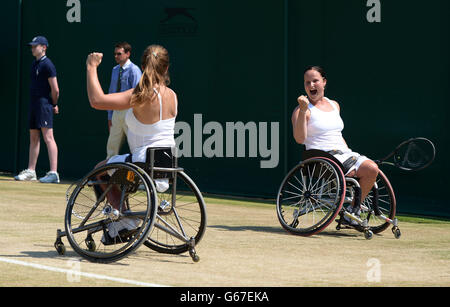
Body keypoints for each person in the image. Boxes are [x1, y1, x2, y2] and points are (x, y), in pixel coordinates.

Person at [86, 45, 177, 240]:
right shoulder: (173, 96)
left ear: (143, 67)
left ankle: (123, 222)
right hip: (167, 165)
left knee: (99, 170)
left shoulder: (140, 96)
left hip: (142, 165)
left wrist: (91, 67)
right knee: (118, 166)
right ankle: (123, 218)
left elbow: (96, 100)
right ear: (166, 68)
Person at [291, 66, 379, 224]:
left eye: (315, 81)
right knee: (357, 170)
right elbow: (299, 139)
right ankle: (353, 211)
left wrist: (349, 153)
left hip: (344, 154)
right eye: (307, 82)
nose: (311, 85)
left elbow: (338, 134)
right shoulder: (301, 110)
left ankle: (352, 211)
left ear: (324, 82)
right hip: (322, 157)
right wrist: (303, 111)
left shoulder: (334, 105)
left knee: (372, 169)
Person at [15, 36, 60, 183]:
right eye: (32, 46)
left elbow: (55, 89)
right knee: (33, 137)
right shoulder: (34, 64)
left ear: (44, 47)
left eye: (36, 46)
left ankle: (54, 173)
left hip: (44, 104)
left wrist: (53, 104)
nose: (33, 48)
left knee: (48, 137)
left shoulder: (48, 65)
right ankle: (31, 171)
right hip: (34, 103)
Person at [106, 42, 142, 160]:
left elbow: (137, 96)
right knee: (112, 146)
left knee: (136, 147)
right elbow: (112, 93)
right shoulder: (114, 70)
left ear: (127, 54)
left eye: (119, 54)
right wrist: (110, 116)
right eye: (115, 54)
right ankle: (108, 174)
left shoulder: (134, 70)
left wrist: (136, 116)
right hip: (116, 112)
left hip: (130, 112)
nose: (116, 56)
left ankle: (139, 174)